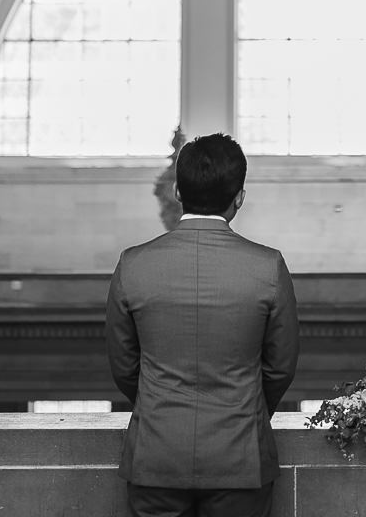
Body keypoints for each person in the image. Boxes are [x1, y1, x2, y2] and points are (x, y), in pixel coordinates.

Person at [107, 133, 300, 517]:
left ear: (177, 191)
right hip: (240, 456)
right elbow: (280, 367)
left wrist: (159, 404)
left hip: (156, 454)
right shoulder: (268, 267)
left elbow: (124, 366)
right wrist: (248, 410)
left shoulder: (133, 265)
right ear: (239, 197)